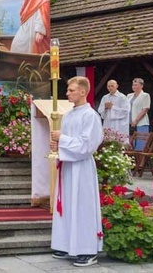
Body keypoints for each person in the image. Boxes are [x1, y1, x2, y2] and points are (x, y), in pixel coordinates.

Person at [49, 76, 103, 267]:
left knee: (82, 207)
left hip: (82, 167)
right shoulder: (69, 114)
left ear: (82, 91)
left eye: (71, 90)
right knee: (68, 205)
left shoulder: (90, 116)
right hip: (68, 165)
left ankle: (87, 250)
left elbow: (87, 145)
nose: (67, 93)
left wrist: (61, 139)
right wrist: (56, 144)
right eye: (67, 90)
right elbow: (67, 139)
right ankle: (66, 244)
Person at [127, 78, 151, 148]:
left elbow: (145, 109)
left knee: (140, 144)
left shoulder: (145, 95)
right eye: (133, 85)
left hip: (141, 123)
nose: (134, 86)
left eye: (136, 85)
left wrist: (136, 120)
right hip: (129, 122)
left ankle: (140, 159)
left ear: (141, 86)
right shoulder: (129, 96)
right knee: (130, 143)